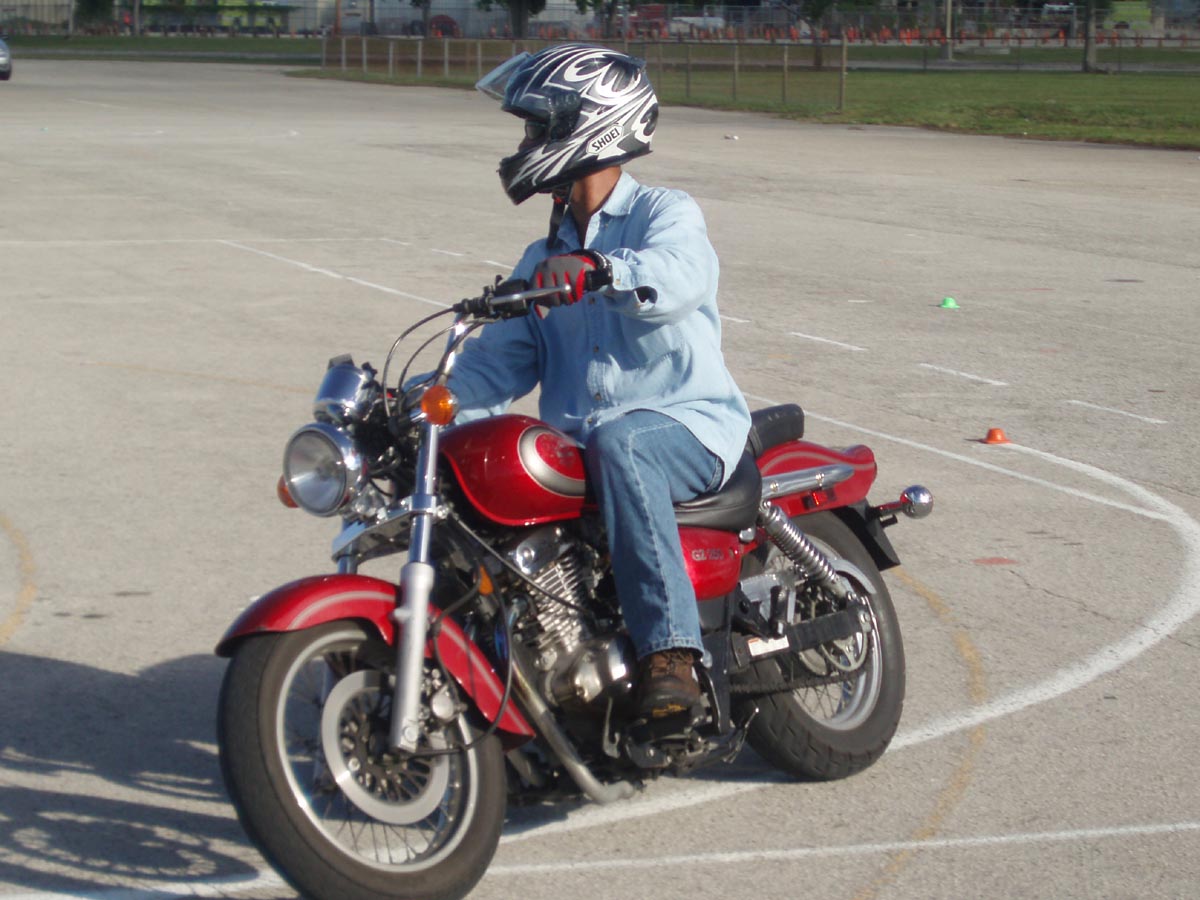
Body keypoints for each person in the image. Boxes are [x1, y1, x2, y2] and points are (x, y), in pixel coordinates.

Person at [450, 43, 751, 719]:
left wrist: (605, 271)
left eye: (536, 128)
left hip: (687, 427)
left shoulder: (666, 214)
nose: (524, 144)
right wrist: (425, 405)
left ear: (585, 126)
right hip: (589, 449)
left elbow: (679, 277)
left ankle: (672, 656)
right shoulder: (542, 257)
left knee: (623, 440)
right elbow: (497, 364)